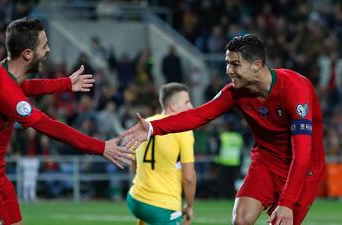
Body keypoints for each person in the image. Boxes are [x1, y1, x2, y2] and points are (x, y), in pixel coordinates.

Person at [122, 34, 325, 225]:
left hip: (303, 167)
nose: (228, 70)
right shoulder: (235, 92)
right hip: (266, 161)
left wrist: (287, 203)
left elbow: (302, 153)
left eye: (235, 64)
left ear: (257, 66)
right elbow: (198, 115)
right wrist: (152, 128)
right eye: (227, 63)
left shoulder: (295, 88)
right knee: (240, 219)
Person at [0, 18, 132, 225]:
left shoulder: (3, 72)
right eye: (44, 46)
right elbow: (48, 125)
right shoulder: (3, 87)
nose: (48, 50)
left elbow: (28, 87)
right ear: (27, 54)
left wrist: (65, 83)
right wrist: (100, 147)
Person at [126, 82, 196, 225]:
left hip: (135, 198)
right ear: (173, 106)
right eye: (187, 102)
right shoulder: (183, 130)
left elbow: (133, 164)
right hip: (163, 206)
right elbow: (189, 178)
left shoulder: (145, 124)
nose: (191, 107)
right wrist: (189, 206)